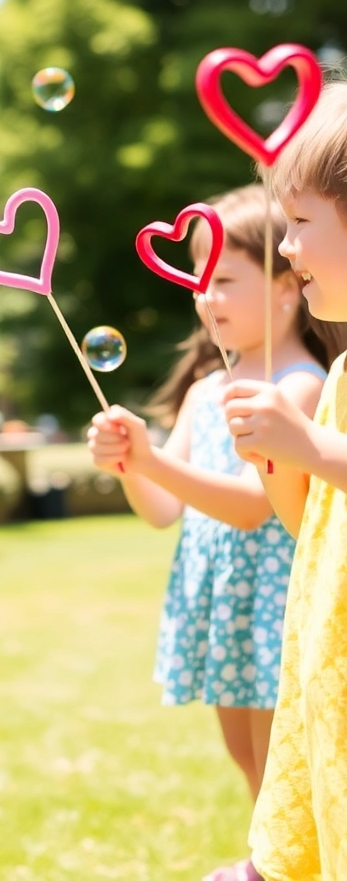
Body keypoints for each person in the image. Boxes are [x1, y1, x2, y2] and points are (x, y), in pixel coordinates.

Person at [87, 185, 342, 881]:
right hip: (221, 602)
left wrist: (153, 460)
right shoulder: (205, 390)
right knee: (247, 758)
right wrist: (130, 465)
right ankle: (279, 866)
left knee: (288, 761)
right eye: (199, 280)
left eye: (225, 279)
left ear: (288, 288)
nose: (206, 297)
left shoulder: (298, 387)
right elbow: (163, 510)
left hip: (274, 603)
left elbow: (253, 507)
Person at [223, 82, 347, 881]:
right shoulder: (341, 373)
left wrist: (309, 443)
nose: (288, 249)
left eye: (301, 223)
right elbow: (316, 530)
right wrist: (279, 460)